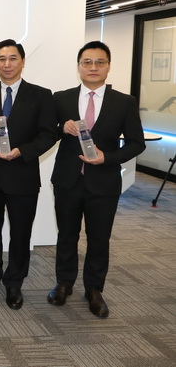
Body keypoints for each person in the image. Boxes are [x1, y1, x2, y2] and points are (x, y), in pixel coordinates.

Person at [48, 41, 145, 318]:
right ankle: (64, 283)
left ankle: (94, 289)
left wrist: (108, 158)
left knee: (99, 238)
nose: (93, 67)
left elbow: (137, 143)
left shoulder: (124, 102)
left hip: (104, 182)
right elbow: (47, 132)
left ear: (108, 66)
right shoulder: (61, 98)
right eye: (87, 62)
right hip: (67, 180)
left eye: (99, 62)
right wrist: (61, 128)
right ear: (79, 66)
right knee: (66, 235)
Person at [0, 39, 57, 310]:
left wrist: (22, 151)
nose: (7, 64)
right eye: (1, 59)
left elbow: (49, 134)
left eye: (12, 58)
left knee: (21, 233)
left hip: (23, 175)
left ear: (22, 61)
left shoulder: (41, 95)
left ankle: (14, 282)